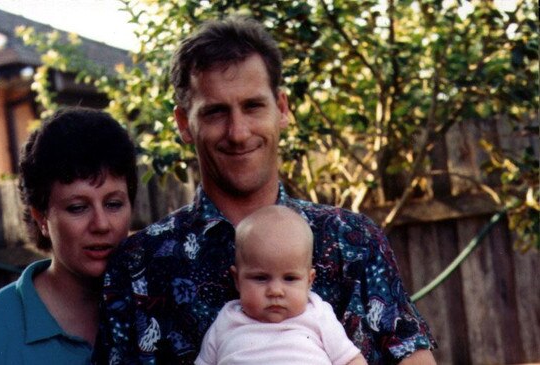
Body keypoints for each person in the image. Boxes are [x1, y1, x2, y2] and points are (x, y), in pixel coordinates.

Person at [93, 16, 436, 365]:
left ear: (282, 109)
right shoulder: (141, 265)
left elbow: (411, 356)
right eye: (215, 113)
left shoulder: (355, 241)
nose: (238, 132)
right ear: (184, 124)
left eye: (253, 106)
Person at [0, 107, 138, 364]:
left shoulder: (163, 306)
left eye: (113, 204)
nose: (101, 224)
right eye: (77, 207)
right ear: (41, 218)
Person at [195, 205, 367, 365]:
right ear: (237, 279)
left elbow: (351, 360)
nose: (275, 291)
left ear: (309, 281)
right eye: (261, 278)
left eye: (290, 278)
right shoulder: (226, 320)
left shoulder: (318, 313)